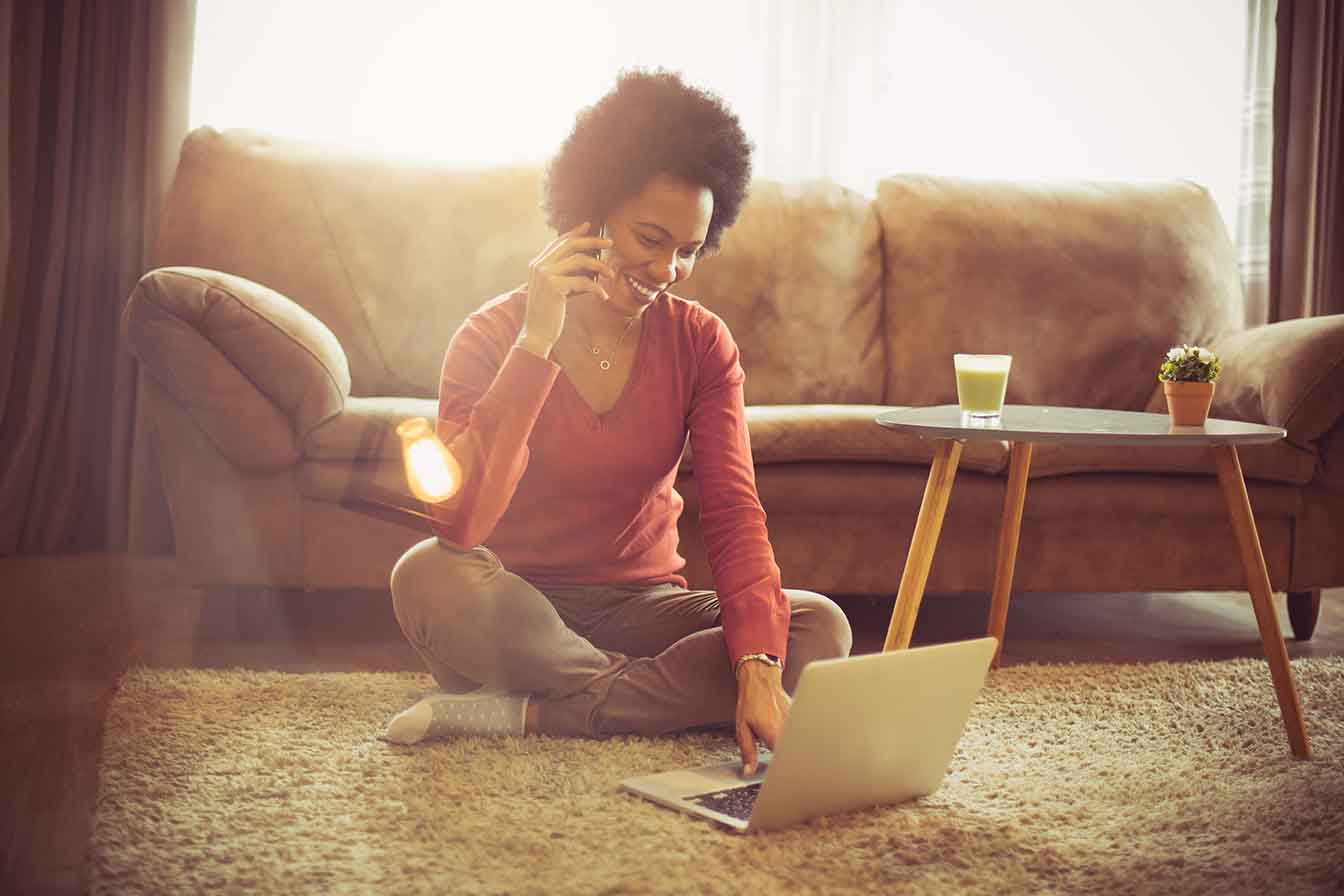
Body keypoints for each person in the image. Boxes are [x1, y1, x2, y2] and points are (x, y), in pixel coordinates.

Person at [386, 69, 852, 774]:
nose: (668, 269)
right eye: (650, 238)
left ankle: (528, 711)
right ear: (592, 211)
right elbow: (461, 523)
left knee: (815, 628)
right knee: (425, 574)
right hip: (514, 607)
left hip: (643, 609)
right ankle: (640, 696)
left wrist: (757, 665)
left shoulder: (701, 343)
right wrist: (536, 344)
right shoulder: (489, 337)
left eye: (689, 250)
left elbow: (733, 511)